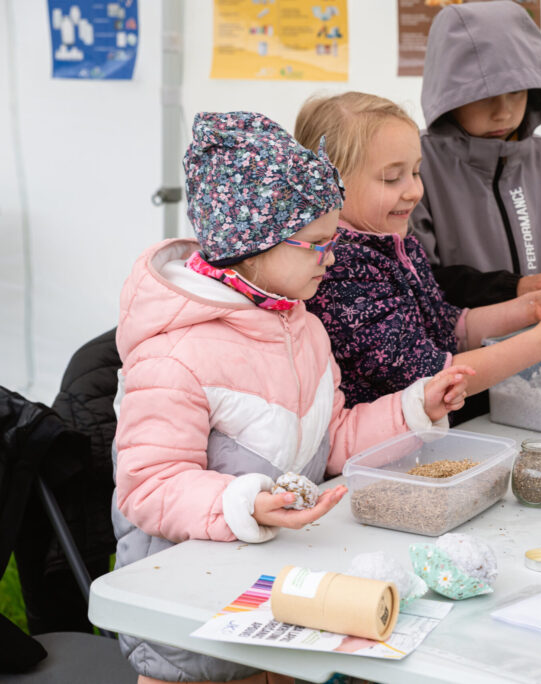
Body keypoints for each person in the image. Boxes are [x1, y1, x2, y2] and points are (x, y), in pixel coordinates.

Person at [112, 111, 471, 684]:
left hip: (274, 600)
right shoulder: (174, 355)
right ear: (250, 247)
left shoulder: (302, 327)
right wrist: (244, 502)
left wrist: (413, 407)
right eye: (317, 244)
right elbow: (148, 485)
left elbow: (333, 441)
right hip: (190, 630)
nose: (332, 258)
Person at [295, 92, 541, 418]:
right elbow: (430, 378)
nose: (413, 191)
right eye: (391, 177)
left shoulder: (399, 247)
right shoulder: (341, 270)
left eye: (415, 172)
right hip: (379, 455)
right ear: (330, 182)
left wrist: (531, 307)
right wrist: (540, 344)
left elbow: (451, 327)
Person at [411, 0, 541, 310]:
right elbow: (418, 278)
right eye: (485, 96)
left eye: (516, 92)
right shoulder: (417, 164)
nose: (503, 112)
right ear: (449, 94)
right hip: (465, 353)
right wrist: (515, 289)